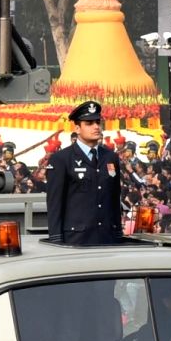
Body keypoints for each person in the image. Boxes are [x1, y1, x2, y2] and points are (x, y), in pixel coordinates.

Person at [45, 100, 123, 246]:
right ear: (77, 128)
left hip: (107, 237)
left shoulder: (110, 157)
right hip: (76, 240)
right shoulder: (61, 159)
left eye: (97, 122)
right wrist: (56, 239)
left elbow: (114, 198)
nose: (96, 127)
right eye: (89, 123)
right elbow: (55, 203)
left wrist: (117, 232)